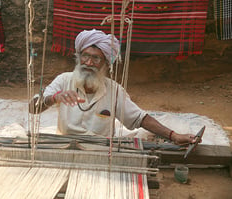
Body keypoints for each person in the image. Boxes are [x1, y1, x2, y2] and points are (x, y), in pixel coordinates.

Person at [31, 29, 196, 145]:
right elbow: (33, 108)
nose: (89, 63)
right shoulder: (63, 81)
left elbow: (139, 118)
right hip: (64, 147)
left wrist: (173, 135)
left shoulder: (114, 90)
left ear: (106, 64)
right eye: (85, 56)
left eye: (96, 59)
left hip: (101, 150)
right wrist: (53, 99)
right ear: (78, 57)